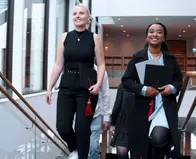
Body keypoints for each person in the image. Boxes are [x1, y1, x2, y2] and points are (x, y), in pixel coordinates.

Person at [46, 3, 105, 159]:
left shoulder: (94, 37)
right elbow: (59, 64)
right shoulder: (65, 37)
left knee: (82, 128)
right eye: (74, 13)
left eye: (81, 13)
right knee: (63, 127)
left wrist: (98, 84)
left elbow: (101, 64)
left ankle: (82, 156)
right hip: (66, 85)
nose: (77, 16)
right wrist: (49, 87)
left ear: (88, 18)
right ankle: (76, 148)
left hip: (87, 87)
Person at [121, 22, 183, 159]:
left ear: (164, 37)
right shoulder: (137, 57)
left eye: (159, 32)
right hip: (142, 105)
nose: (155, 34)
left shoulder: (171, 59)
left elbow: (179, 81)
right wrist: (143, 89)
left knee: (158, 138)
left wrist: (171, 88)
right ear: (146, 36)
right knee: (141, 145)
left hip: (163, 105)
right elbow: (126, 81)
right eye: (151, 31)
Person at [88, 65, 111, 159]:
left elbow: (106, 95)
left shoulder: (101, 72)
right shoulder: (77, 69)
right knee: (82, 146)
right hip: (80, 115)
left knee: (94, 146)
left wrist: (106, 117)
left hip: (96, 114)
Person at [110, 83, 135, 159]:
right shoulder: (123, 85)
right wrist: (112, 124)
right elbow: (117, 105)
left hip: (140, 123)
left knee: (137, 154)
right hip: (123, 122)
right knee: (121, 151)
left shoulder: (147, 84)